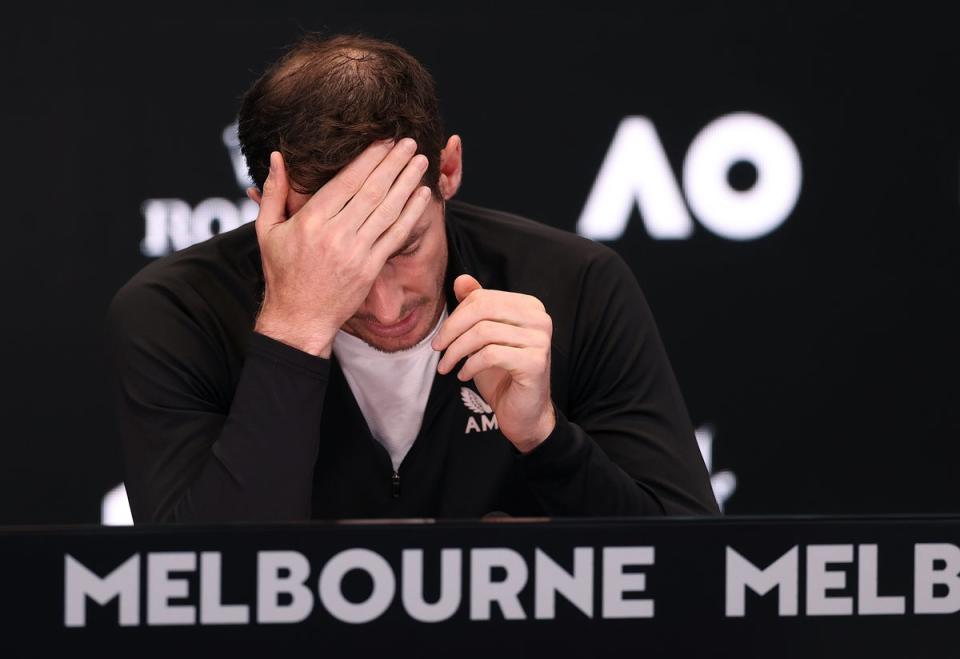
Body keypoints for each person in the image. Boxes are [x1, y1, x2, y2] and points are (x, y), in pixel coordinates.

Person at [106, 32, 719, 523]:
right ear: (268, 209)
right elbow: (190, 593)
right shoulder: (176, 311)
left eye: (402, 246)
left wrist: (545, 438)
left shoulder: (575, 284)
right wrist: (293, 330)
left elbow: (692, 580)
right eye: (338, 261)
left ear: (447, 170)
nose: (383, 302)